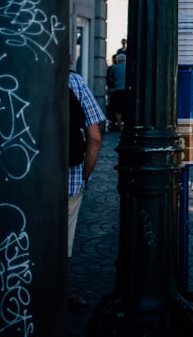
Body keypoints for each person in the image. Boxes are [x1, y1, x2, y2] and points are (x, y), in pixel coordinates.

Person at [67, 70, 105, 307]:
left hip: (21, 181)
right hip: (69, 177)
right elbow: (95, 137)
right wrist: (84, 177)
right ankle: (60, 291)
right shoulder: (74, 81)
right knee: (64, 240)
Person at [106, 53, 126, 131]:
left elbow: (111, 79)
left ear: (117, 60)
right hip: (127, 90)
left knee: (117, 109)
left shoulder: (114, 68)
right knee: (126, 108)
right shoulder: (127, 66)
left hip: (117, 90)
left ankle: (119, 125)